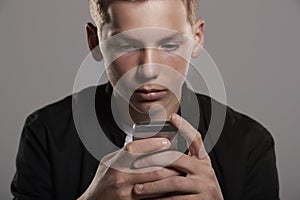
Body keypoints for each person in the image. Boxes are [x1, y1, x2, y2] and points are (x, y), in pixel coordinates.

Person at [11, 0, 280, 199]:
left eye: (169, 45)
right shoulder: (46, 132)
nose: (149, 69)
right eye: (126, 45)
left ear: (196, 38)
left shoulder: (250, 144)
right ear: (94, 41)